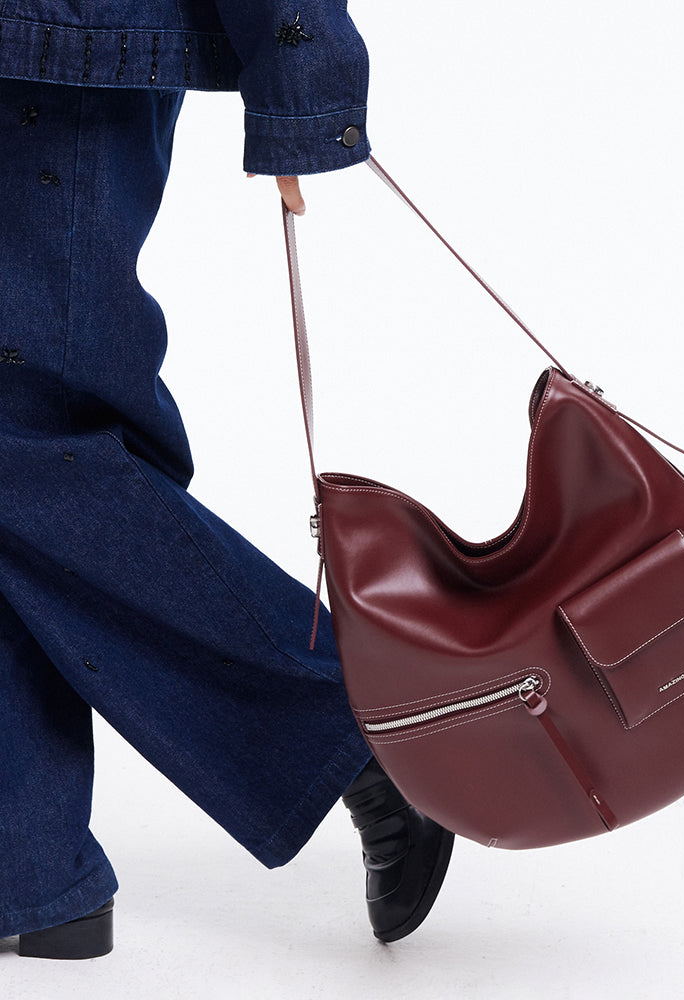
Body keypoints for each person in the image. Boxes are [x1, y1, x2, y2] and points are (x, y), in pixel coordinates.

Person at [0, 1, 453, 958]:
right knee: (29, 448)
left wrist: (299, 65)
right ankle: (28, 870)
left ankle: (355, 723)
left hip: (51, 54)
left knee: (35, 432)